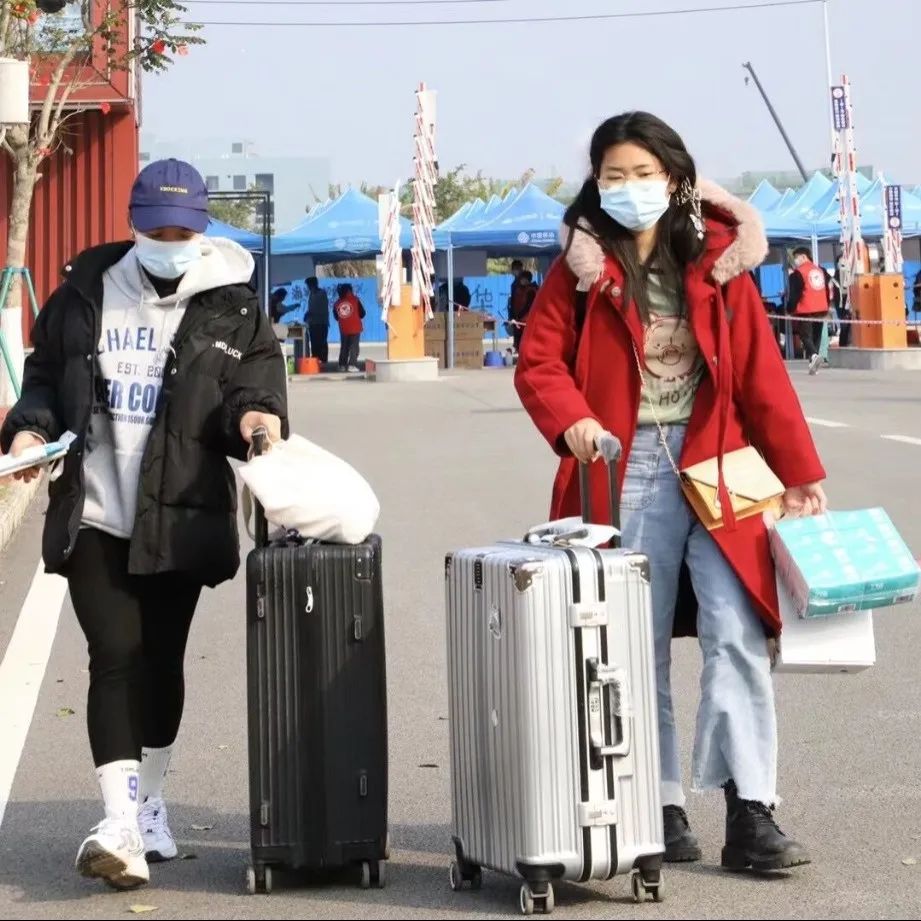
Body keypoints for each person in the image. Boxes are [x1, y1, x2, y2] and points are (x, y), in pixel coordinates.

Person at [515, 112, 826, 872]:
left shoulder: (718, 258)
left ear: (675, 178)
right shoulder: (581, 268)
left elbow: (758, 372)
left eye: (642, 174)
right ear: (596, 183)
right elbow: (539, 361)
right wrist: (574, 418)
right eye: (613, 176)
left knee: (737, 632)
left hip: (721, 464)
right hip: (622, 467)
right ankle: (653, 803)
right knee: (631, 643)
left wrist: (799, 472)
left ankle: (751, 810)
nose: (628, 188)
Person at [0, 159, 288, 890]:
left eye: (182, 232)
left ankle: (149, 800)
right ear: (134, 224)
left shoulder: (235, 308)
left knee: (161, 662)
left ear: (202, 230)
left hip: (180, 513)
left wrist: (257, 420)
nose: (169, 243)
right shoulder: (84, 293)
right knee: (115, 654)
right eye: (157, 230)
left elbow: (252, 392)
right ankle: (119, 822)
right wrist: (30, 431)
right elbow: (45, 378)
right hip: (96, 509)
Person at [786, 247, 831, 375]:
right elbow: (827, 290)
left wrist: (789, 309)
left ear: (803, 257)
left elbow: (795, 294)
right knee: (816, 337)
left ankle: (814, 356)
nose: (795, 261)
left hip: (806, 309)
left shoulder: (798, 273)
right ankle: (813, 364)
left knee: (805, 336)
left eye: (796, 257)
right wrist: (826, 305)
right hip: (821, 308)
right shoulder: (821, 271)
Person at [334, 282, 366, 373]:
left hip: (343, 328)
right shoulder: (355, 300)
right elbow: (363, 313)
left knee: (344, 347)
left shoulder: (337, 303)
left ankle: (342, 365)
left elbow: (336, 317)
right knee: (354, 347)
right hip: (355, 327)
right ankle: (352, 365)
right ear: (349, 290)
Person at [509, 269, 539, 352]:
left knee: (526, 341)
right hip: (519, 320)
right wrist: (513, 317)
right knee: (519, 342)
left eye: (522, 279)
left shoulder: (531, 291)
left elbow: (528, 307)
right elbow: (513, 304)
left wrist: (518, 317)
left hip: (526, 321)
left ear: (527, 280)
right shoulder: (519, 289)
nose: (520, 281)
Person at [306, 276, 330, 367]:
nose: (308, 287)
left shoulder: (321, 293)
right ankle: (315, 359)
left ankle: (323, 360)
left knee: (321, 342)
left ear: (312, 284)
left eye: (308, 285)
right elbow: (311, 308)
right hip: (313, 323)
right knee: (314, 343)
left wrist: (310, 313)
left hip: (321, 322)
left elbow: (321, 308)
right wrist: (308, 314)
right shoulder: (311, 294)